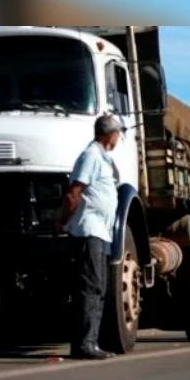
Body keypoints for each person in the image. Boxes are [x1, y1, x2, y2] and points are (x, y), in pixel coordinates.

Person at [58, 114, 124, 360]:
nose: (119, 138)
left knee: (99, 287)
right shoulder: (91, 156)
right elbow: (73, 193)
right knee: (91, 287)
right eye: (118, 134)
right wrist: (61, 221)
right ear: (110, 135)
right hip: (89, 231)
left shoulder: (103, 158)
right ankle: (84, 344)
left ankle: (90, 342)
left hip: (101, 233)